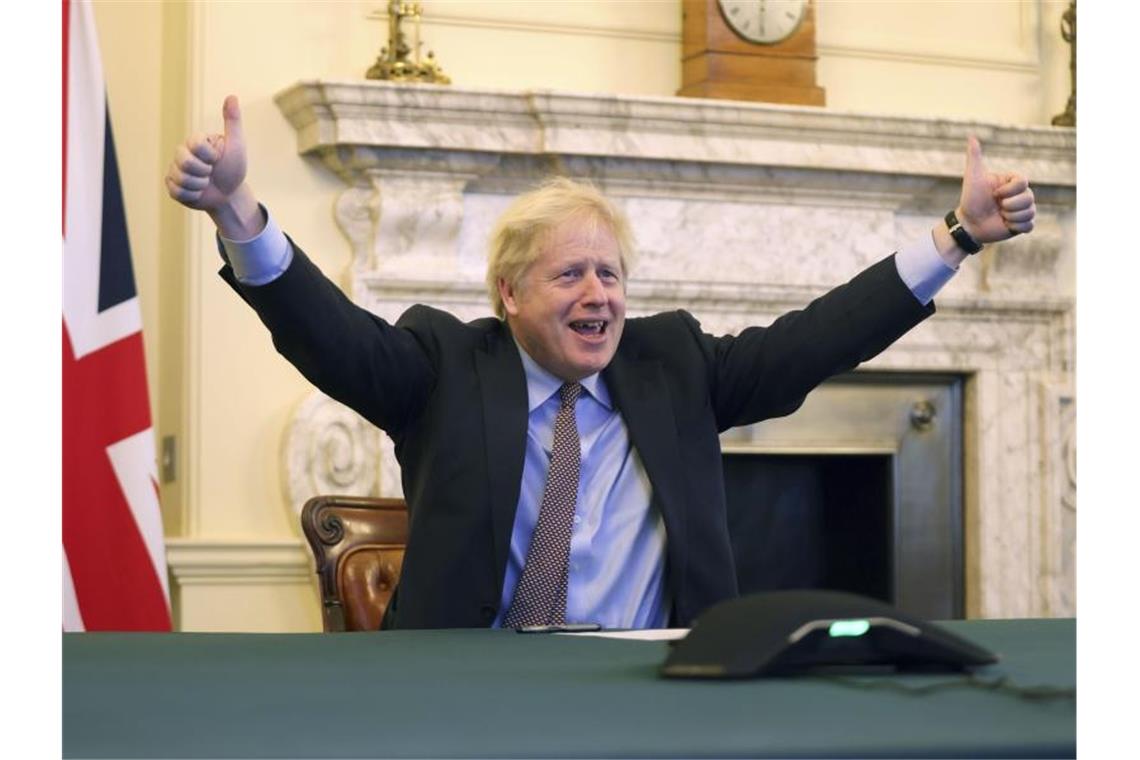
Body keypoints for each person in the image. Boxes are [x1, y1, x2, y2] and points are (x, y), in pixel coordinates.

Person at [166, 96, 1036, 630]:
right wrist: (239, 212)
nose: (599, 295)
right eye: (571, 273)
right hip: (472, 694)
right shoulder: (445, 365)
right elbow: (332, 336)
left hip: (655, 693)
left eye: (610, 274)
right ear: (509, 294)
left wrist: (954, 240)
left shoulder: (675, 365)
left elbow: (818, 337)